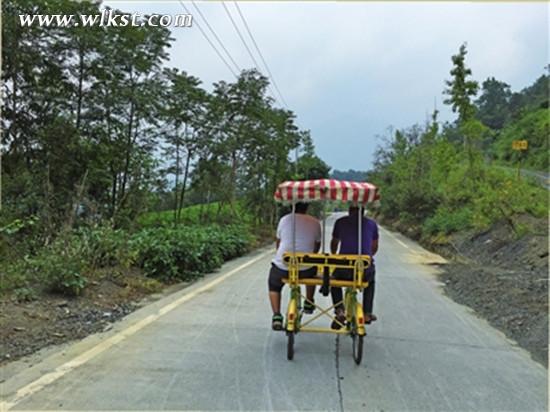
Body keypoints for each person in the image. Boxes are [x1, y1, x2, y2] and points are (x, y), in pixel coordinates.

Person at [269, 202, 321, 330]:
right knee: (313, 269)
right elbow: (316, 246)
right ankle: (309, 301)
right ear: (307, 207)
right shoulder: (314, 222)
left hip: (283, 267)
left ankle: (276, 315)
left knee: (274, 285)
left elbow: (279, 242)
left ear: (292, 207)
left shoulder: (284, 220)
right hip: (305, 270)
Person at [330, 206, 379, 329]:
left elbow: (334, 242)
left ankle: (339, 310)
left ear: (349, 211)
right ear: (363, 211)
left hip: (344, 269)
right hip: (363, 270)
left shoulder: (340, 222)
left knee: (334, 282)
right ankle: (367, 312)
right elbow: (374, 247)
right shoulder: (372, 224)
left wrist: (335, 255)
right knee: (370, 282)